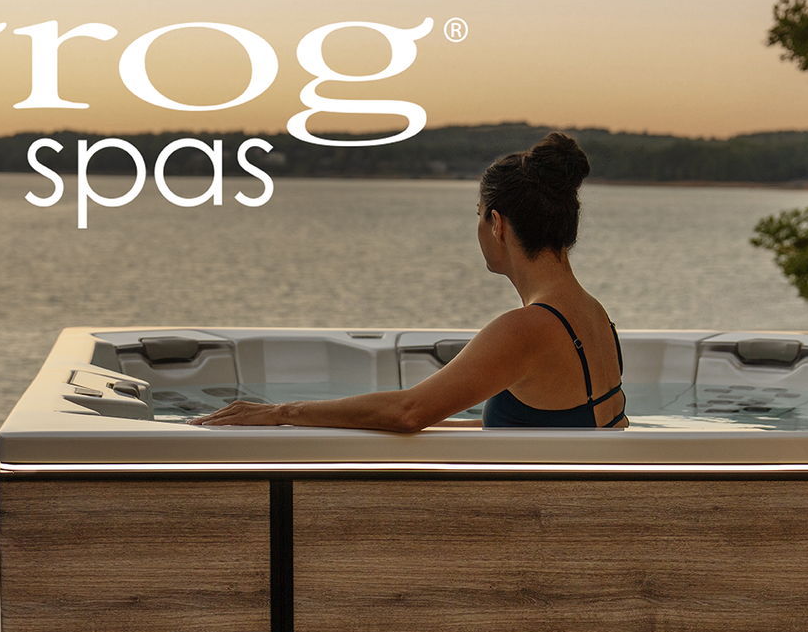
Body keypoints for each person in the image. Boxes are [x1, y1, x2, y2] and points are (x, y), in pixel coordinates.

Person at [193, 131, 627, 431]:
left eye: (477, 215)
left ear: (497, 224)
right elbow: (549, 424)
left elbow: (407, 411)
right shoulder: (594, 315)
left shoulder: (529, 328)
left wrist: (282, 412)